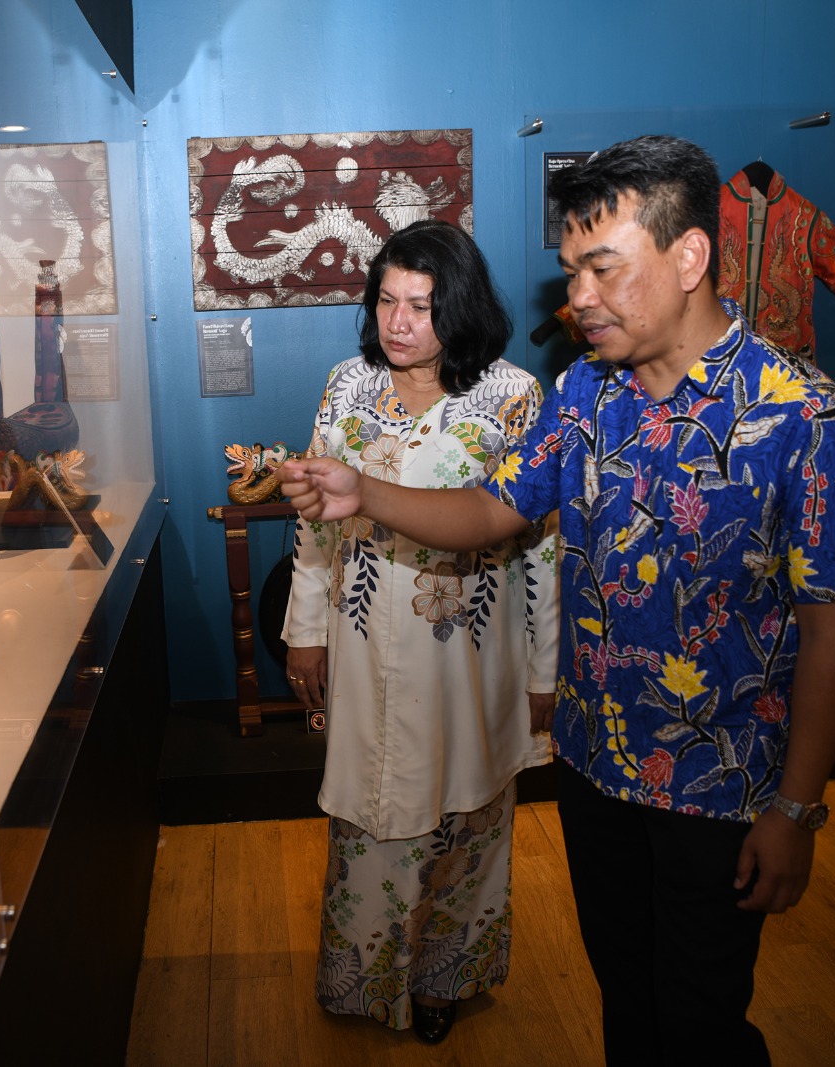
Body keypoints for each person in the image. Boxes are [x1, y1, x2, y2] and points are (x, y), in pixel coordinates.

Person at [281, 136, 835, 1065]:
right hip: (596, 771)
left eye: (603, 268)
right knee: (627, 1000)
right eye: (572, 271)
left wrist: (796, 809)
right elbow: (493, 510)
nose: (580, 296)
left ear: (689, 256)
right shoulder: (586, 394)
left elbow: (834, 639)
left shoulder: (807, 418)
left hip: (717, 788)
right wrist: (364, 492)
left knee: (700, 1020)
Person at [280, 219, 558, 1045]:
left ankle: (445, 977)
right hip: (363, 642)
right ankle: (362, 980)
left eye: (422, 306)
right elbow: (315, 521)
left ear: (460, 306)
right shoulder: (346, 387)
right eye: (387, 301)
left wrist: (546, 669)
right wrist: (304, 628)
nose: (398, 322)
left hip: (473, 652)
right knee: (370, 812)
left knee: (469, 818)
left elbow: (544, 544)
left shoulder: (512, 397)